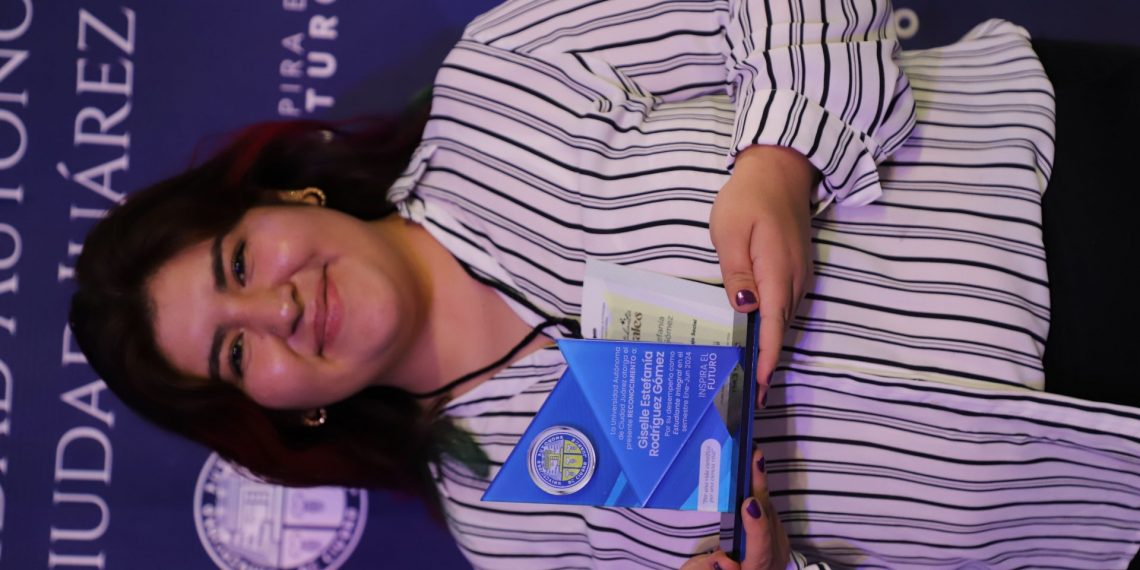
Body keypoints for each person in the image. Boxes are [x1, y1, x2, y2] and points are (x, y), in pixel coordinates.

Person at [69, 0, 1140, 568]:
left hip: (1071, 180)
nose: (279, 309)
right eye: (234, 351)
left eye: (239, 264)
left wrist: (780, 157)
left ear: (286, 199)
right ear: (283, 414)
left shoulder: (502, 77)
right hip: (1088, 498)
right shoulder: (507, 527)